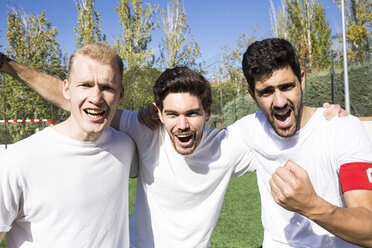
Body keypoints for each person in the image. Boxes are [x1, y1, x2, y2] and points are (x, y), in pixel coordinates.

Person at [0, 51, 344, 247]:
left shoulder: (232, 144)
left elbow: (284, 118)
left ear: (207, 114)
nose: (182, 124)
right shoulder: (146, 131)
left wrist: (330, 115)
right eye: (173, 114)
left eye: (193, 113)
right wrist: (9, 65)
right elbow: (77, 100)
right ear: (159, 112)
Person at [232, 38, 372, 247]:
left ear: (302, 80)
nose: (279, 102)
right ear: (252, 94)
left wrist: (311, 205)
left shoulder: (342, 128)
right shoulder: (249, 131)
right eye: (267, 91)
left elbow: (368, 229)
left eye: (287, 86)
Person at [0, 43, 137, 247]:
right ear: (66, 89)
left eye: (107, 87)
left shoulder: (126, 146)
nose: (96, 98)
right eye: (85, 85)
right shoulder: (16, 160)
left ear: (121, 94)